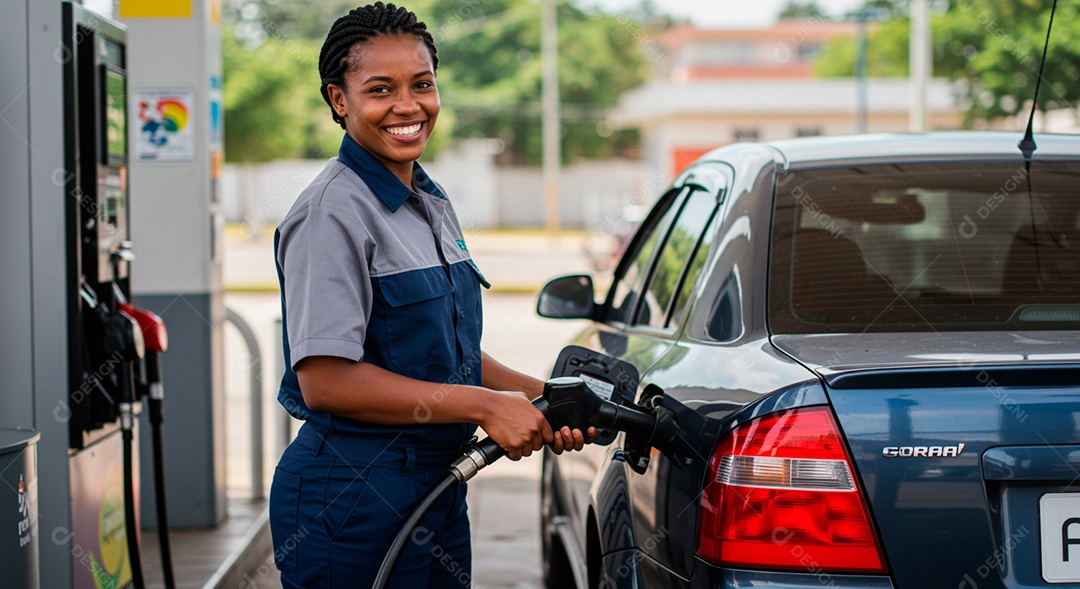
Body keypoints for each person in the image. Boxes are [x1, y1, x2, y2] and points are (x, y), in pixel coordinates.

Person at [268, 4, 595, 587]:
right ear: (339, 100)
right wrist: (485, 407)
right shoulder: (330, 213)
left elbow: (445, 355)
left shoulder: (427, 200)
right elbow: (326, 381)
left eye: (422, 84)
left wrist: (546, 398)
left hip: (435, 484)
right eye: (380, 89)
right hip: (353, 495)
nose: (408, 106)